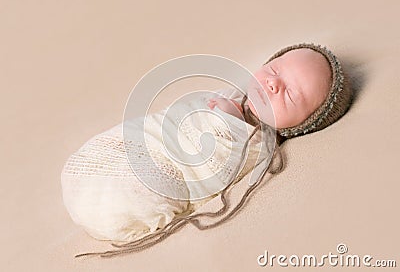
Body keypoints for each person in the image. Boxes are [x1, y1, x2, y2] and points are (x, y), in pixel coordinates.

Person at [64, 42, 353, 258]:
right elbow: (173, 118)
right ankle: (98, 166)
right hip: (138, 143)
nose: (273, 84)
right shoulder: (231, 96)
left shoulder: (258, 146)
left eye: (290, 93)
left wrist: (225, 122)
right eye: (275, 69)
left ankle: (117, 207)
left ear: (301, 126)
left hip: (147, 182)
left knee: (144, 188)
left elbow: (212, 175)